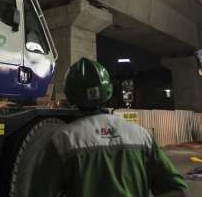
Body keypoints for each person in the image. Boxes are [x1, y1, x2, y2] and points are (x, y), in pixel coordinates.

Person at [27, 58, 188, 197]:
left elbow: (40, 192)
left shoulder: (64, 140)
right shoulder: (141, 135)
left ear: (70, 96)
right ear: (108, 91)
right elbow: (175, 187)